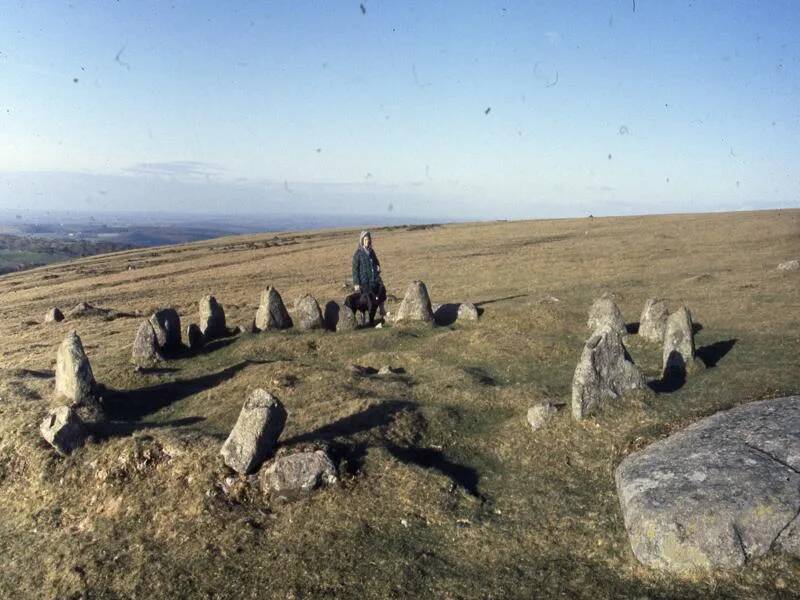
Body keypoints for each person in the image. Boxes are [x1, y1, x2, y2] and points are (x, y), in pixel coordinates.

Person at [352, 230, 387, 322]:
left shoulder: (372, 252)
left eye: (368, 239)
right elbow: (355, 270)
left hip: (374, 278)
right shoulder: (358, 254)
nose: (367, 241)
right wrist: (356, 283)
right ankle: (363, 316)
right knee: (367, 298)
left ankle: (382, 310)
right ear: (362, 241)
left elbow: (376, 262)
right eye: (365, 239)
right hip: (365, 281)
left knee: (381, 290)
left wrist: (378, 267)